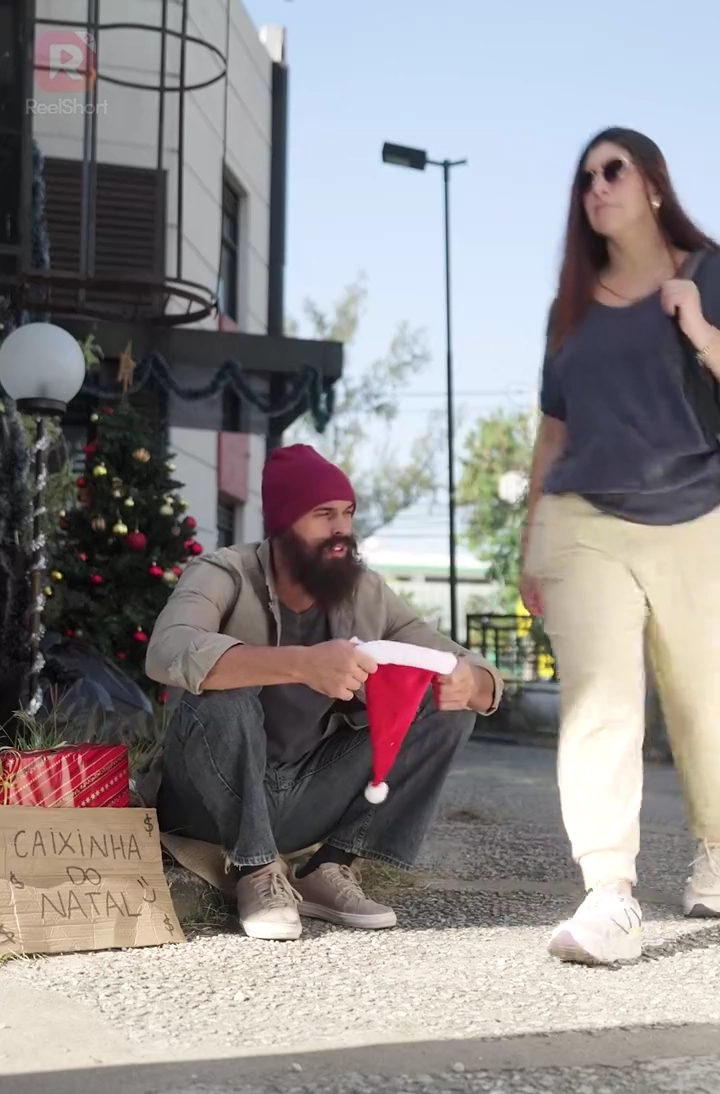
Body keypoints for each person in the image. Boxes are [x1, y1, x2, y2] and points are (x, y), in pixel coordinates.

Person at [146, 443, 502, 941]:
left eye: (348, 514)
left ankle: (329, 867)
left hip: (307, 792)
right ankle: (256, 870)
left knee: (442, 697)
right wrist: (302, 665)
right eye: (323, 515)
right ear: (284, 523)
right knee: (225, 691)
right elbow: (168, 648)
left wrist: (477, 683)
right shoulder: (224, 573)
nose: (341, 530)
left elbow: (454, 657)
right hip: (206, 799)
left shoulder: (364, 591)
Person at [521, 126, 720, 966]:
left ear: (651, 184)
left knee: (704, 704)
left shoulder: (707, 273)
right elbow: (552, 430)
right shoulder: (567, 310)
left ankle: (715, 854)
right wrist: (530, 535)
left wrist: (700, 326)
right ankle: (610, 893)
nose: (596, 186)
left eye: (614, 170)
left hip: (698, 514)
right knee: (601, 700)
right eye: (585, 177)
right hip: (584, 521)